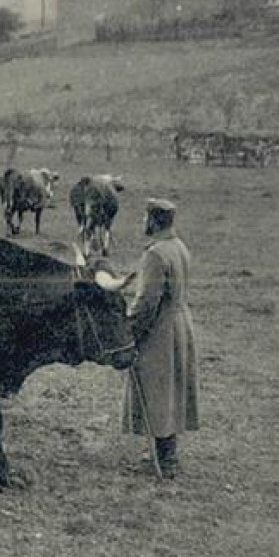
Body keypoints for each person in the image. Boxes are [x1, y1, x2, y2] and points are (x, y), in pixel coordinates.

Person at [123, 198, 200, 479]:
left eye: (144, 218)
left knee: (157, 389)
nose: (142, 222)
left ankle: (163, 459)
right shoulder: (179, 247)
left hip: (160, 330)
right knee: (172, 389)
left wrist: (131, 329)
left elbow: (147, 302)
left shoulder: (155, 254)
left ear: (153, 221)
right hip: (180, 323)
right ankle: (166, 453)